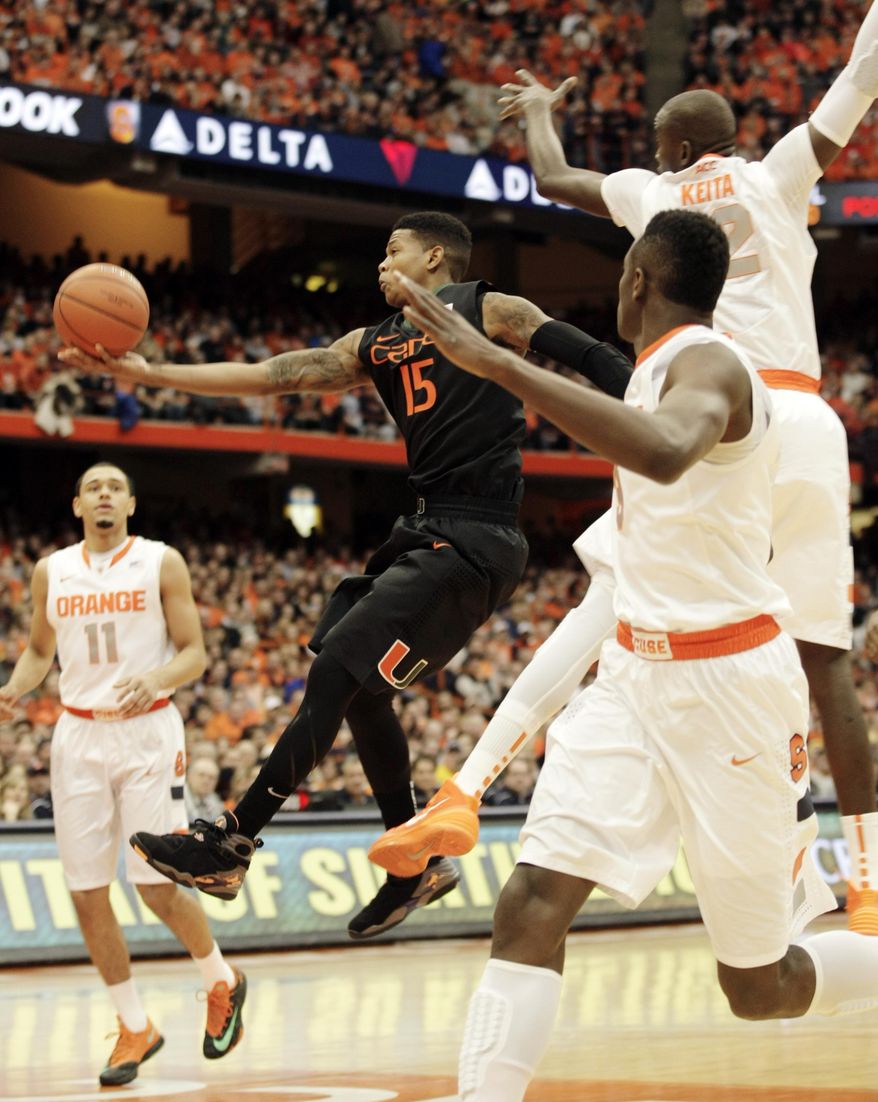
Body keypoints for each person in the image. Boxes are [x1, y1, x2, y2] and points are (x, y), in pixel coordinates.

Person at [373, 13, 878, 933]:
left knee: (613, 598)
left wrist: (536, 111)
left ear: (674, 146)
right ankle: (868, 878)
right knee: (818, 659)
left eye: (656, 139)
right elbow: (858, 80)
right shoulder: (778, 171)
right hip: (808, 418)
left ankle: (468, 786)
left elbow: (553, 176)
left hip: (716, 402)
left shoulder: (654, 194)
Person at [389, 211, 878, 1102]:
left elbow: (662, 453)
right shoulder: (651, 371)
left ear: (638, 281)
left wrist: (501, 363)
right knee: (532, 901)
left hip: (732, 689)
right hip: (632, 678)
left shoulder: (711, 365)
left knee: (757, 988)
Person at [60, 211, 632, 940]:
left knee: (336, 668)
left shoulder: (490, 308)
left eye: (392, 251)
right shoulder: (376, 342)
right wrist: (152, 372)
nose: (380, 263)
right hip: (425, 531)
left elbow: (593, 357)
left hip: (478, 535)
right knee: (361, 698)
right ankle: (412, 867)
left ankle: (230, 844)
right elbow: (274, 376)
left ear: (434, 257)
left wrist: (660, 411)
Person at [0, 462, 246, 1086]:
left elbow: (193, 653)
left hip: (147, 732)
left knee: (156, 882)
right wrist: (15, 688)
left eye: (114, 487)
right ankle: (135, 1025)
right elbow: (38, 650)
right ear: (78, 504)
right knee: (86, 893)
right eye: (92, 488)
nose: (104, 495)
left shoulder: (162, 561)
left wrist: (157, 678)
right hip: (77, 734)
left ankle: (222, 978)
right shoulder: (49, 571)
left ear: (130, 504)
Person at [185, 755, 225, 823]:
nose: (206, 781)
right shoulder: (178, 800)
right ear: (189, 776)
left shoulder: (216, 802)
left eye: (211, 778)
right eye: (201, 775)